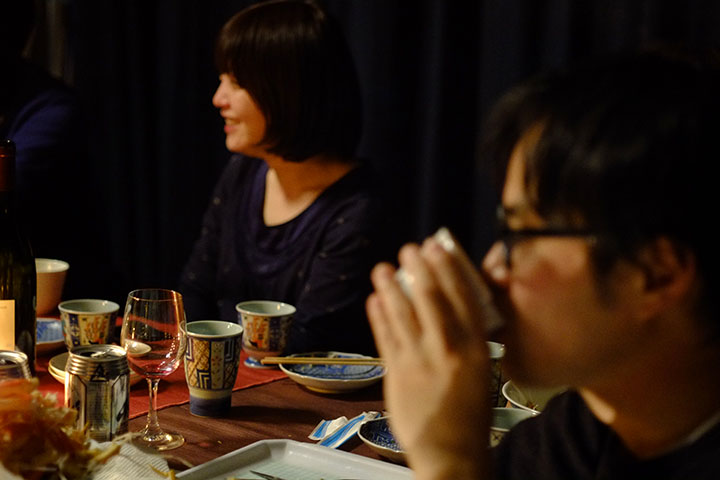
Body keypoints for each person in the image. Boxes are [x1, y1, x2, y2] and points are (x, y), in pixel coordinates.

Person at [366, 51, 720, 479]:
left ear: (657, 273)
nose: (491, 270)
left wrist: (449, 459)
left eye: (521, 237)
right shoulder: (578, 430)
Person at [180, 0, 390, 355]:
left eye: (236, 82)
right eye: (221, 79)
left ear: (289, 92)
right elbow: (195, 289)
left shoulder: (357, 209)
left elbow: (310, 345)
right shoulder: (243, 172)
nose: (218, 98)